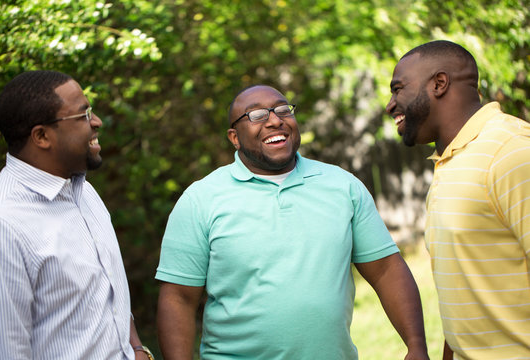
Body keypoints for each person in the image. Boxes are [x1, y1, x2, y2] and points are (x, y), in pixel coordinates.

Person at [156, 84, 429, 359]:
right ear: (234, 137)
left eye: (283, 109)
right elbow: (178, 298)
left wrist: (416, 345)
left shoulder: (342, 186)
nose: (275, 120)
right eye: (257, 115)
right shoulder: (201, 199)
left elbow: (386, 270)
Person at [0, 70, 153, 360]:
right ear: (41, 136)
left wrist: (137, 348)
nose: (97, 122)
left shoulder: (84, 192)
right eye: (83, 115)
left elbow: (109, 290)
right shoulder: (1, 222)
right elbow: (6, 350)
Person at [386, 40, 530, 359]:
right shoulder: (451, 161)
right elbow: (467, 287)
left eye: (398, 89)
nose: (390, 104)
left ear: (439, 84)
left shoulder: (512, 153)